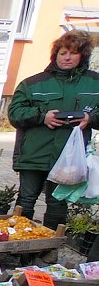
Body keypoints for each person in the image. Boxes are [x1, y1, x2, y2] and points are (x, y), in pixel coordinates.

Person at [8, 30, 99, 229]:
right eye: (63, 53)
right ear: (55, 55)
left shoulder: (95, 84)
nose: (67, 57)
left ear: (83, 56)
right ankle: (17, 242)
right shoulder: (33, 84)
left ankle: (51, 244)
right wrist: (43, 116)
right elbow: (14, 113)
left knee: (57, 203)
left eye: (73, 53)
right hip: (34, 153)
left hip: (68, 158)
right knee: (26, 200)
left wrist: (90, 118)